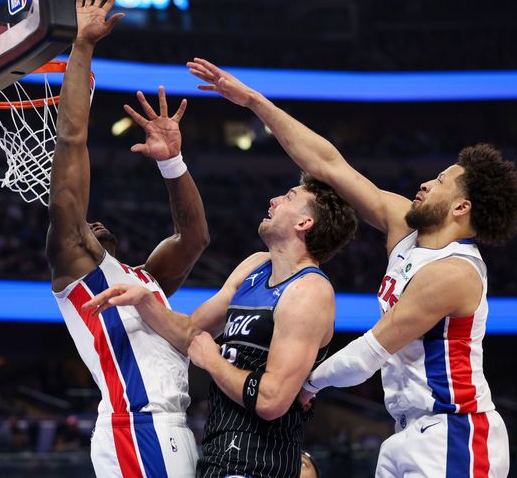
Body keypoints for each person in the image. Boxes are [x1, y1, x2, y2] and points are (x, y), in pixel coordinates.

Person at [185, 57, 517, 477]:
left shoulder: (454, 273)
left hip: (456, 432)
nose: (424, 183)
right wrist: (255, 102)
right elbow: (327, 165)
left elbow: (370, 351)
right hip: (407, 430)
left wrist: (308, 383)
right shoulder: (403, 226)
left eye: (439, 182)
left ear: (460, 207)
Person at [84, 174, 357, 477]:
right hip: (217, 453)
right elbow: (190, 332)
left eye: (289, 197)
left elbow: (272, 399)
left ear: (304, 223)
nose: (275, 200)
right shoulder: (255, 266)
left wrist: (212, 361)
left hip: (259, 464)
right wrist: (145, 301)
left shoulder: (309, 291)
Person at [46, 0, 210, 477]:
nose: (93, 223)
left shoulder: (145, 278)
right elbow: (71, 140)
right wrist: (82, 46)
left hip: (168, 428)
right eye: (85, 221)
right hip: (138, 426)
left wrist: (173, 163)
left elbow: (194, 238)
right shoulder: (75, 260)